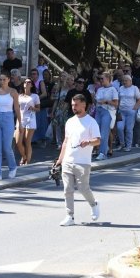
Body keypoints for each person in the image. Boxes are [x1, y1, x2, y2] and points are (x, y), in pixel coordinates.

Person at [55, 94, 101, 227]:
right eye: (72, 105)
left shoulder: (91, 122)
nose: (73, 107)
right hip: (68, 161)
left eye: (76, 104)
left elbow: (98, 140)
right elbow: (65, 141)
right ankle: (70, 216)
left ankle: (94, 204)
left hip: (83, 161)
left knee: (83, 188)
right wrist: (60, 159)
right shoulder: (70, 121)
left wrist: (88, 142)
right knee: (67, 189)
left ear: (84, 104)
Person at [0, 70, 21, 180]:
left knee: (7, 147)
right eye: (0, 79)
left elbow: (16, 108)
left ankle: (13, 167)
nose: (2, 81)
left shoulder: (13, 91)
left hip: (8, 117)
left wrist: (20, 123)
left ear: (8, 80)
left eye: (4, 79)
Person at [94, 72, 118, 160]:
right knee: (96, 131)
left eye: (102, 79)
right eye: (99, 79)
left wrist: (106, 101)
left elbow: (116, 103)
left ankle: (102, 153)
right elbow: (96, 100)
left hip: (107, 111)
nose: (100, 80)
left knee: (104, 133)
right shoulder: (99, 89)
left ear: (108, 79)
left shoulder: (113, 90)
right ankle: (103, 148)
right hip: (98, 111)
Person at [116, 74, 140, 152]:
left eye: (126, 80)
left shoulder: (134, 88)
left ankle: (128, 145)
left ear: (130, 81)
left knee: (129, 129)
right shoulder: (121, 88)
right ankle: (122, 143)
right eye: (123, 80)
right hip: (121, 111)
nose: (124, 82)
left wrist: (134, 109)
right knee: (119, 128)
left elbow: (139, 100)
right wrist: (117, 109)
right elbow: (118, 99)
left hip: (131, 112)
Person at [17, 79, 40, 165]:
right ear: (23, 84)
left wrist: (33, 108)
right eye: (25, 82)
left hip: (30, 119)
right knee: (18, 142)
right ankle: (24, 156)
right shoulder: (19, 96)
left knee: (27, 141)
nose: (27, 83)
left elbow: (38, 109)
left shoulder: (35, 96)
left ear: (32, 85)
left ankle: (27, 161)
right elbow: (16, 108)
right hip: (21, 119)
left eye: (29, 82)